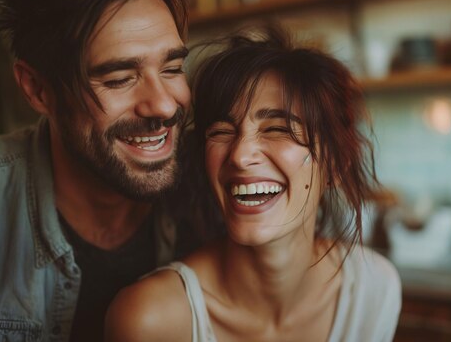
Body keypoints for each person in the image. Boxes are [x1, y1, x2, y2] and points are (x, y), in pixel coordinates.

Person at [106, 27, 402, 342]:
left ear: (335, 164)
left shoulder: (373, 289)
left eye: (278, 128)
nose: (240, 155)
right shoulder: (150, 320)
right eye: (221, 131)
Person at [0, 0, 197, 341]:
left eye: (173, 69)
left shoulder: (214, 188)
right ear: (39, 90)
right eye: (119, 79)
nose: (163, 105)